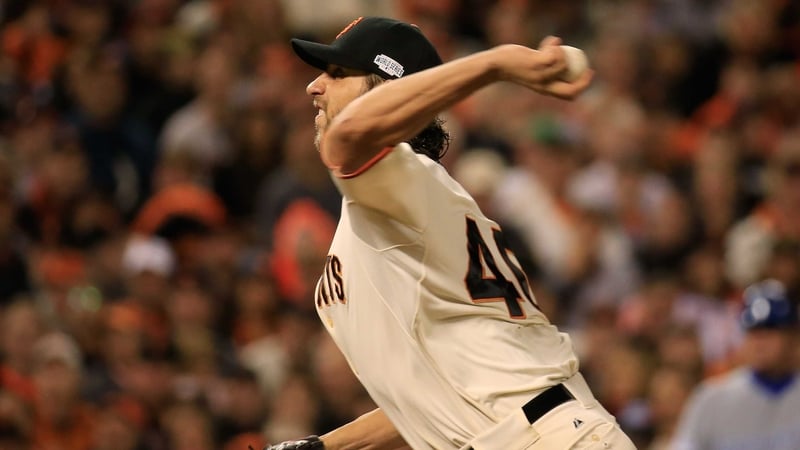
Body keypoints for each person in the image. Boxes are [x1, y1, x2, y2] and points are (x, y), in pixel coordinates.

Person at [261, 16, 635, 450]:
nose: (314, 86)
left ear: (386, 88)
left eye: (339, 73)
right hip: (532, 429)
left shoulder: (402, 179)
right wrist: (328, 446)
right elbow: (431, 398)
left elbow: (350, 133)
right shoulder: (388, 199)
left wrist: (496, 64)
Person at [670, 278, 800, 450]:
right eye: (753, 331)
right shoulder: (710, 399)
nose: (759, 342)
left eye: (770, 330)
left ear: (793, 337)